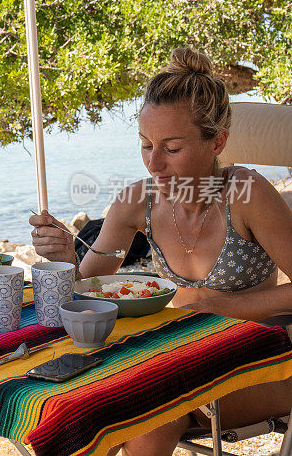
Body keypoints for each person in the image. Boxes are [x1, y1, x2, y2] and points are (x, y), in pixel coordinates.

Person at [28, 47, 292, 456]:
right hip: (174, 359)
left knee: (147, 410)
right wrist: (65, 258)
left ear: (217, 142)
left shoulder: (246, 193)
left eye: (171, 148)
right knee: (81, 406)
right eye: (146, 145)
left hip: (261, 361)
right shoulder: (137, 201)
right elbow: (88, 289)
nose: (155, 164)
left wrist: (217, 303)